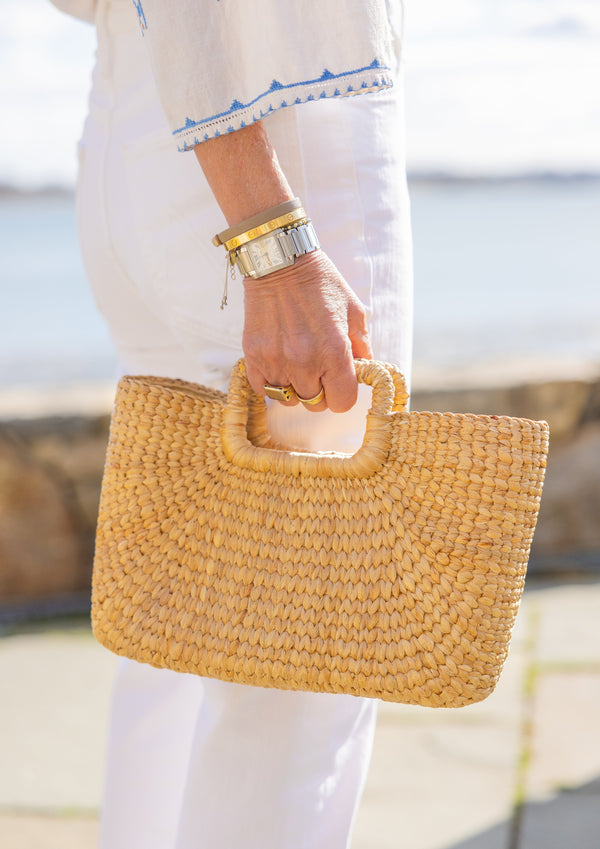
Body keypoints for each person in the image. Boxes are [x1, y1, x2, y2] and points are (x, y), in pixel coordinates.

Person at [51, 0, 413, 846]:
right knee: (305, 660)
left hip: (143, 119)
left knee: (173, 628)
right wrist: (275, 246)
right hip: (276, 140)